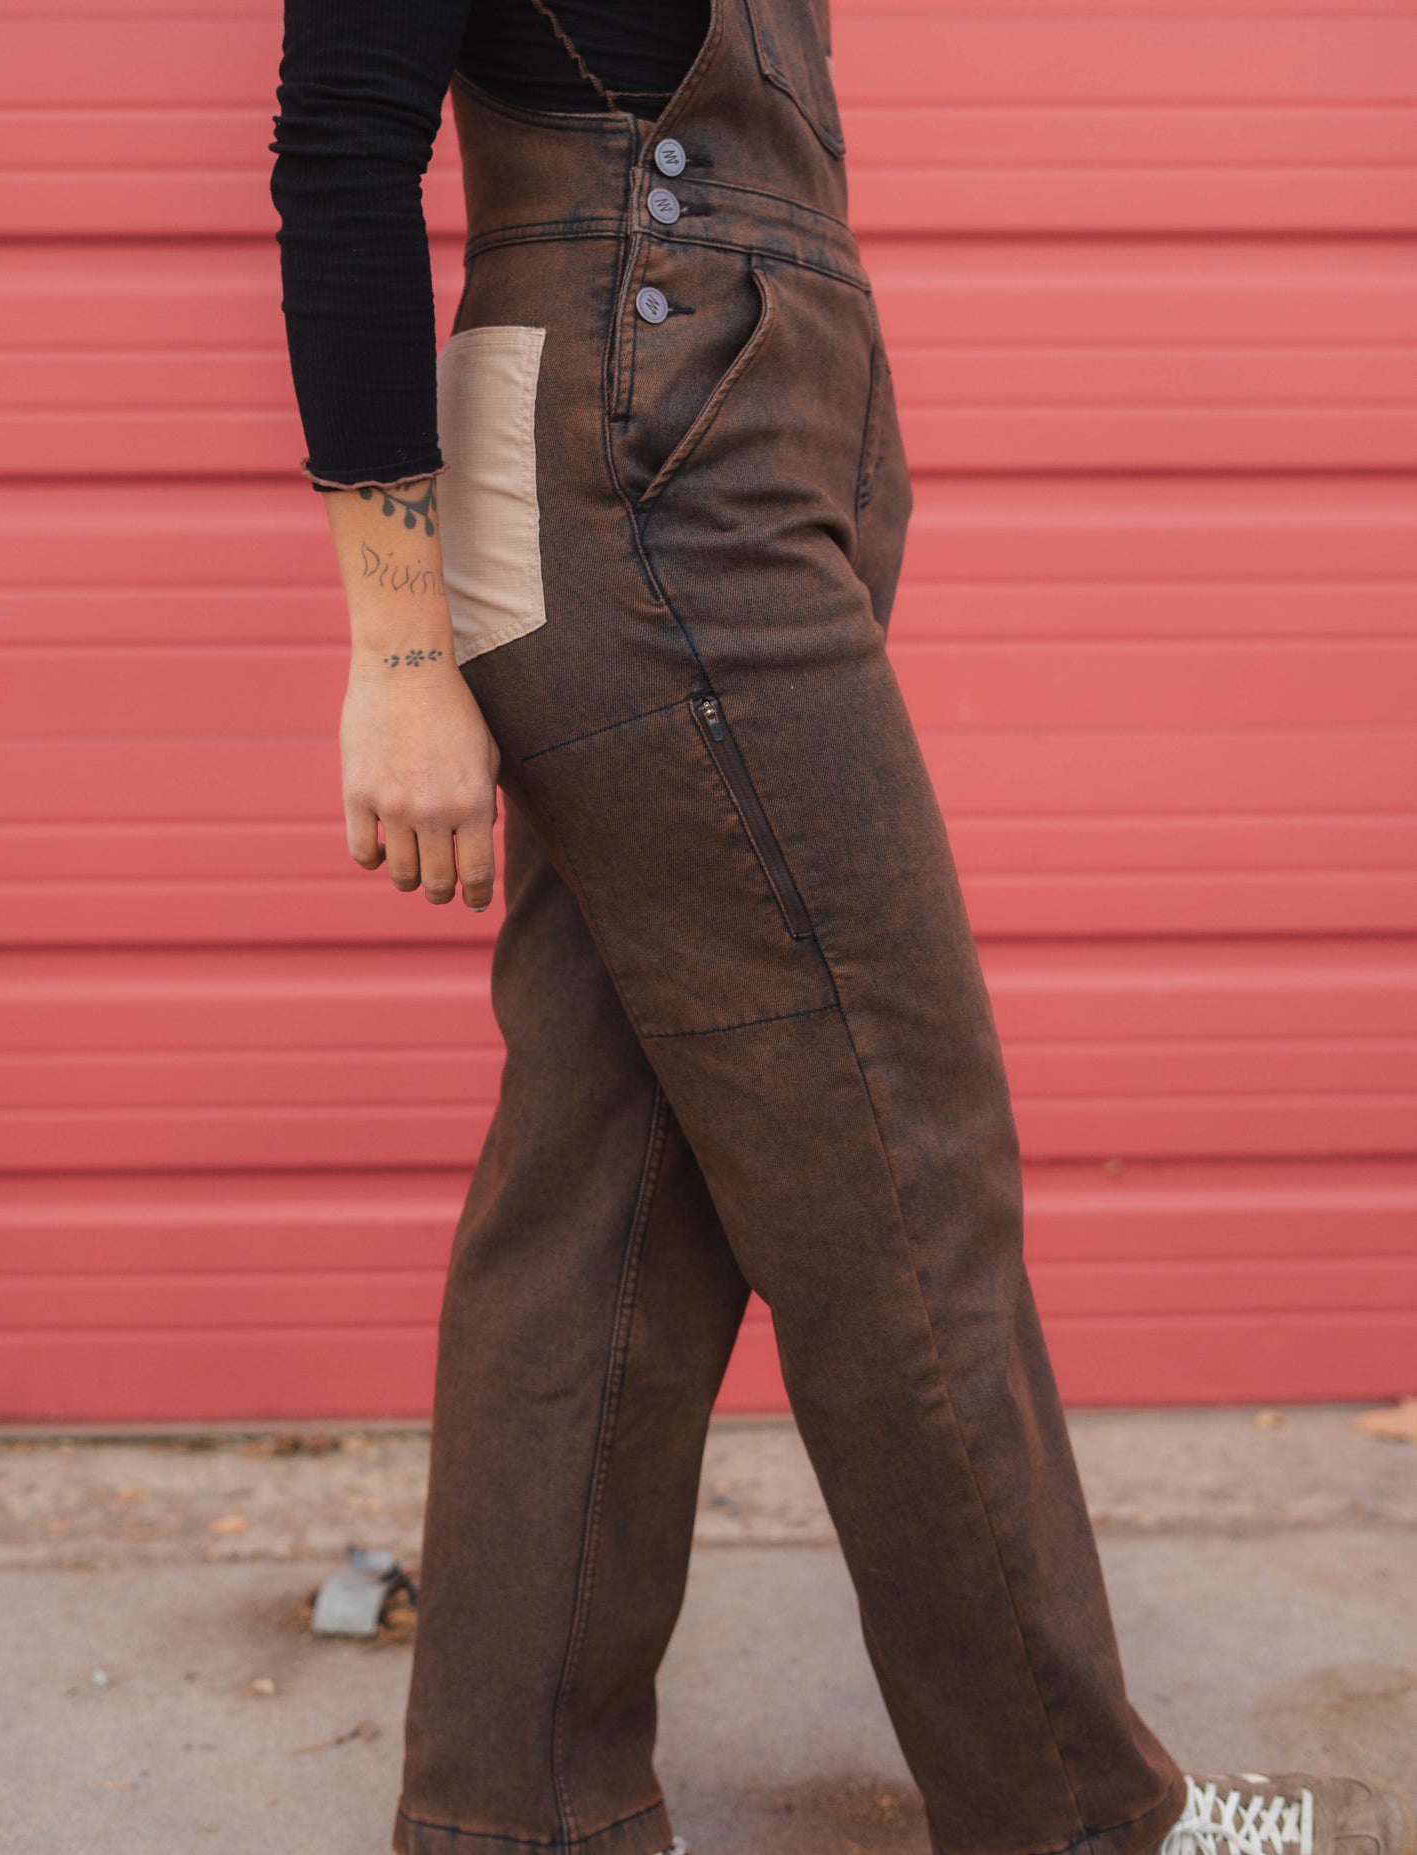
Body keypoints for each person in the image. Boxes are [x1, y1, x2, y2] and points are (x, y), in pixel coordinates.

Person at [267, 7, 1414, 1855]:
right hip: (655, 465)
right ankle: (1080, 1822)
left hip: (709, 440)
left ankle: (515, 1816)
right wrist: (399, 650)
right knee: (899, 1155)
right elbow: (340, 143)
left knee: (609, 1176)